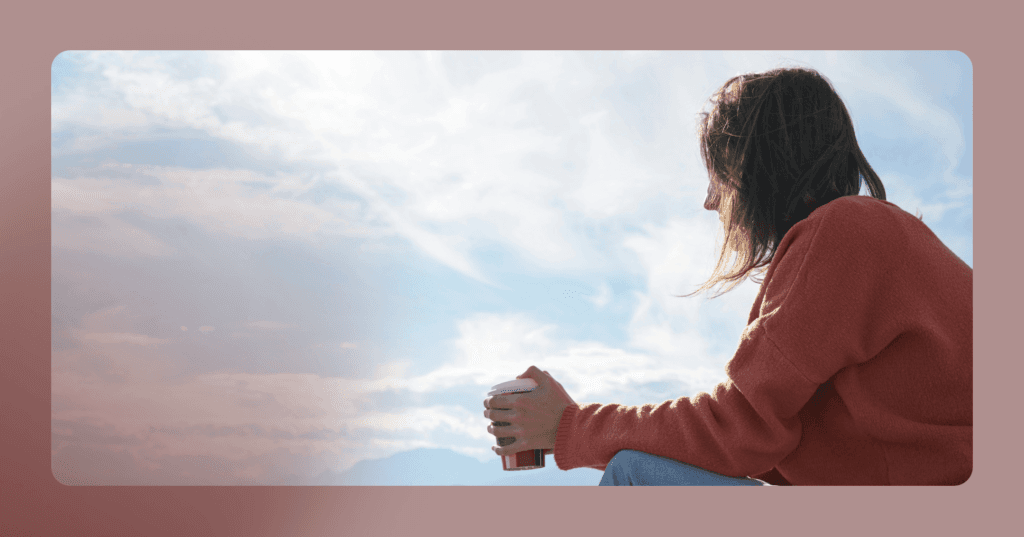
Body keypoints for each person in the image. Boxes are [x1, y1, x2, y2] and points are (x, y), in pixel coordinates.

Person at [482, 67, 972, 486]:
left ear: (756, 165)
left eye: (719, 172)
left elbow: (741, 428)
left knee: (636, 475)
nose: (711, 200)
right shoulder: (879, 243)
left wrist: (568, 427)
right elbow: (762, 443)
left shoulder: (846, 232)